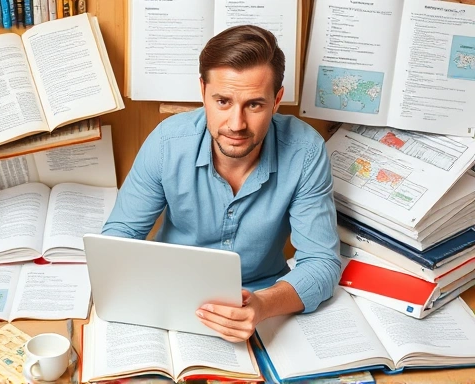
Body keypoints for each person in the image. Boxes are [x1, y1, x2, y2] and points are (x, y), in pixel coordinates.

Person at [102, 25, 341, 342]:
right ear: (202, 92)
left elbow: (321, 263)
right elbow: (118, 238)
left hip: (264, 304)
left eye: (254, 104)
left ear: (277, 99)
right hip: (169, 299)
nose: (236, 124)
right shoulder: (167, 143)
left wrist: (262, 306)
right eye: (223, 101)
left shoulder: (305, 152)